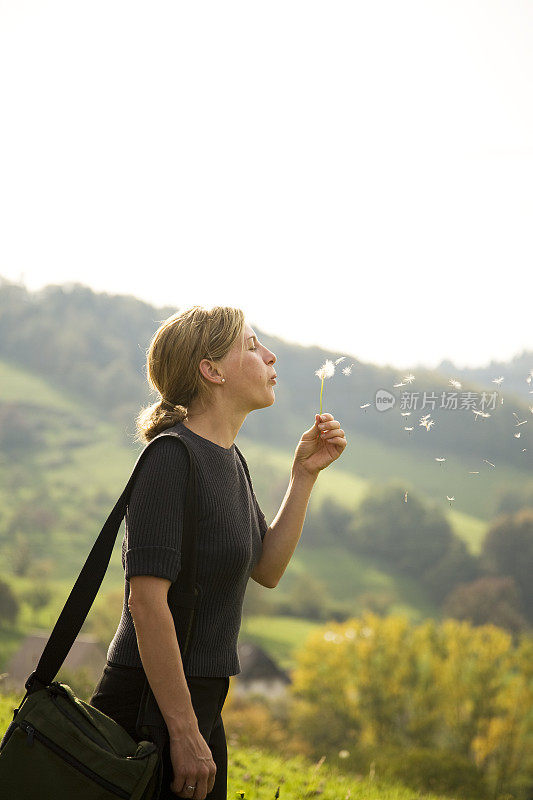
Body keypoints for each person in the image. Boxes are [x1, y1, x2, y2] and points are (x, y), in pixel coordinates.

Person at [89, 304, 347, 799]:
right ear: (212, 371)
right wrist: (183, 733)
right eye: (252, 346)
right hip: (150, 704)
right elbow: (146, 603)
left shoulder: (230, 461)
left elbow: (267, 569)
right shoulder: (170, 457)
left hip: (200, 702)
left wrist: (303, 476)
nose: (270, 356)